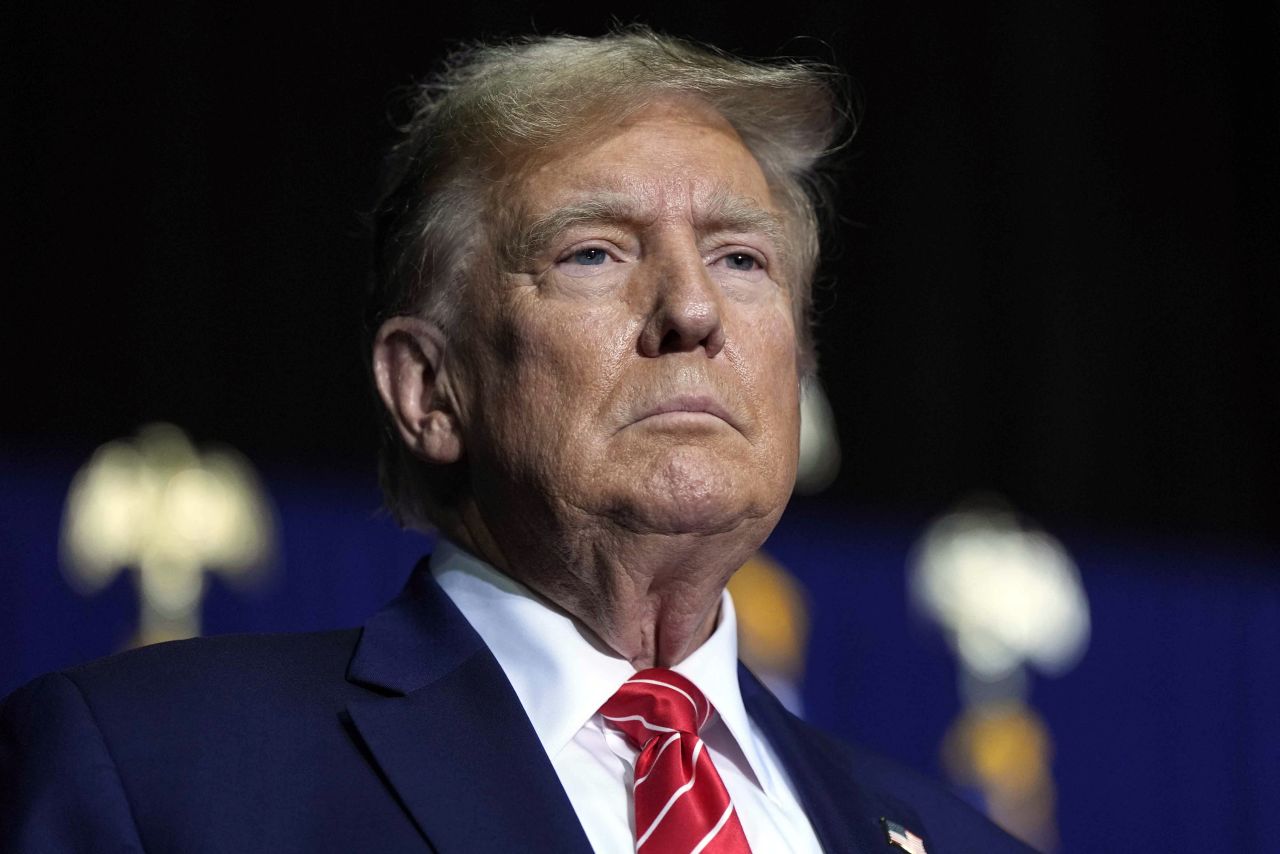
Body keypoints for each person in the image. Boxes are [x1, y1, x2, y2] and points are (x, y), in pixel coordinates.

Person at [1, 29, 1035, 854]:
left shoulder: (955, 839)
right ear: (429, 389)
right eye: (591, 252)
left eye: (739, 258)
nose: (691, 309)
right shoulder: (158, 769)